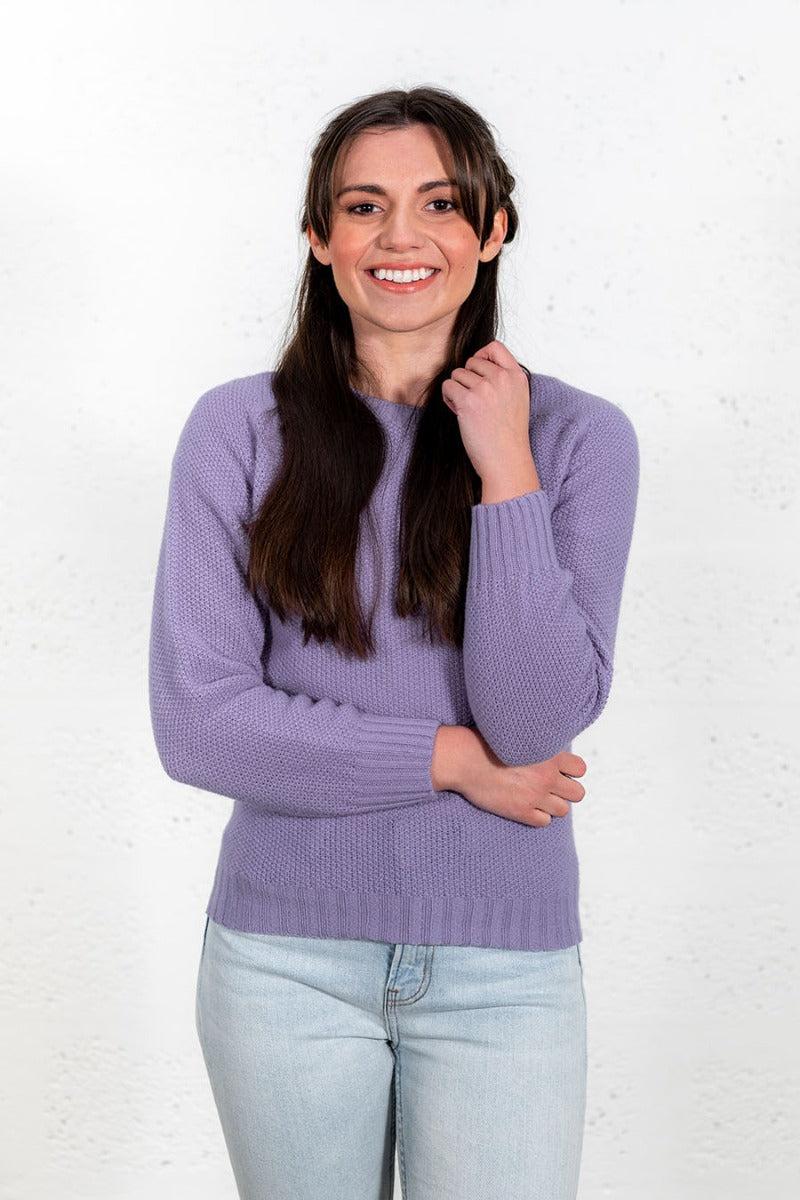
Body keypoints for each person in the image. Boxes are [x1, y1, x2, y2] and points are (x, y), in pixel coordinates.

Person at [148, 85, 639, 1200]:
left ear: (492, 229)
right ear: (320, 238)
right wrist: (451, 761)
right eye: (363, 206)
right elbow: (201, 725)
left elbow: (533, 718)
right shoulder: (239, 430)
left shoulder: (578, 439)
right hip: (282, 964)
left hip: (505, 971)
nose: (400, 236)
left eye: (439, 204)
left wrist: (503, 464)